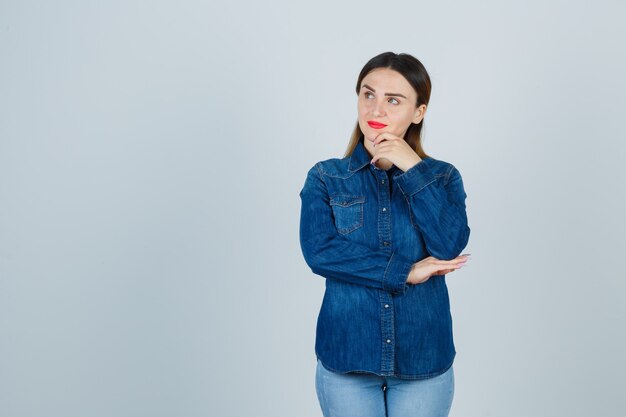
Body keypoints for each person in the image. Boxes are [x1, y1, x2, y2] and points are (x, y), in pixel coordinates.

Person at [298, 51, 471, 417]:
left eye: (394, 100)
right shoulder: (326, 177)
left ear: (418, 112)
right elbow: (320, 252)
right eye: (368, 94)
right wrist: (404, 271)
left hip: (423, 358)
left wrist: (412, 167)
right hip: (347, 357)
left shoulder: (443, 178)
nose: (376, 110)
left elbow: (448, 245)